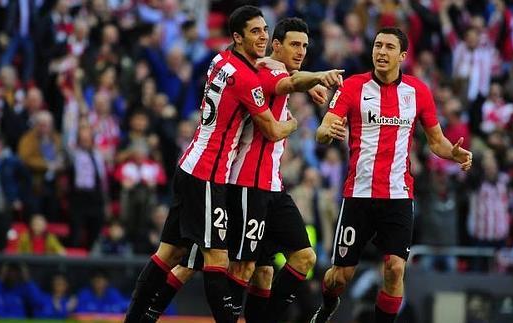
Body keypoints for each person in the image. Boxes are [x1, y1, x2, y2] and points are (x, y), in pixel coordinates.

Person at [131, 16, 344, 323]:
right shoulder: (260, 74)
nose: (301, 51)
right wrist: (303, 108)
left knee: (282, 264)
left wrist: (309, 82)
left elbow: (290, 78)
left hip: (266, 184)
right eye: (294, 44)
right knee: (213, 262)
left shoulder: (238, 62)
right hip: (243, 184)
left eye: (305, 46)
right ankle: (147, 315)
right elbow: (281, 97)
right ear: (276, 45)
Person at [310, 27, 473, 323]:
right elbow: (324, 128)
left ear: (403, 55)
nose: (381, 52)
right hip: (358, 194)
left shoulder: (418, 91)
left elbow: (437, 141)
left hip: (398, 195)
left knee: (396, 268)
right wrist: (325, 133)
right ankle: (328, 303)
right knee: (340, 277)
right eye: (377, 45)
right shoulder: (352, 87)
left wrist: (454, 153)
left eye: (388, 47)